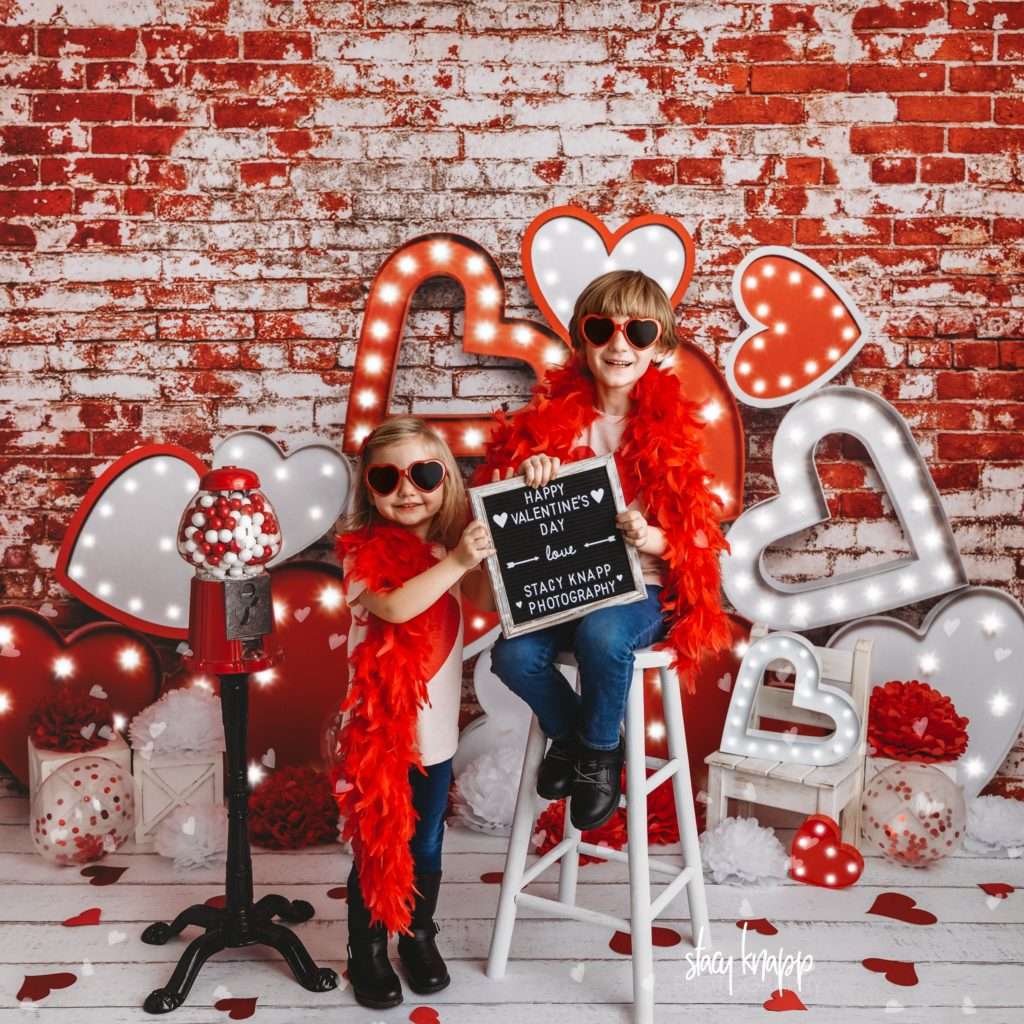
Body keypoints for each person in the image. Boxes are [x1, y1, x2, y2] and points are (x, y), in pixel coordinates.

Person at [473, 269, 731, 832]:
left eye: (637, 332)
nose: (619, 344)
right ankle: (569, 737)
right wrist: (528, 473)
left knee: (603, 635)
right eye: (602, 328)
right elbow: (508, 521)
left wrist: (650, 537)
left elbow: (695, 542)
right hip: (566, 587)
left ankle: (599, 755)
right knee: (512, 655)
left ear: (658, 345)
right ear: (580, 339)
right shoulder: (546, 423)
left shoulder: (674, 429)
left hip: (641, 588)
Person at [333, 416, 494, 1009]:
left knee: (426, 841)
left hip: (436, 734)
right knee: (380, 843)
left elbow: (483, 601)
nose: (408, 490)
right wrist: (455, 561)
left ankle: (417, 936)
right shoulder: (360, 555)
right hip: (379, 738)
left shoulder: (444, 550)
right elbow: (397, 608)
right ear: (368, 490)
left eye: (424, 474)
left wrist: (491, 549)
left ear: (447, 479)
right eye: (387, 477)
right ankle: (367, 947)